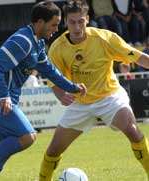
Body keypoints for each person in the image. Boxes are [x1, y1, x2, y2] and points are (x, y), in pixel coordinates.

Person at [39, 1, 149, 181]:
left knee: (133, 131)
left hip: (109, 97)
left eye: (80, 21)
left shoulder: (105, 38)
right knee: (53, 150)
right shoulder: (57, 47)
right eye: (72, 22)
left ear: (88, 19)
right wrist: (60, 94)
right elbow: (52, 78)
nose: (77, 27)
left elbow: (138, 57)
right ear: (65, 22)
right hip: (80, 103)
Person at [0, 0, 86, 173]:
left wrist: (72, 87)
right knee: (27, 136)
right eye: (53, 25)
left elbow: (49, 71)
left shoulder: (37, 43)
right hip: (3, 101)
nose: (56, 29)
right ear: (39, 22)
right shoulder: (22, 40)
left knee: (6, 147)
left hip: (8, 102)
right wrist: (3, 96)